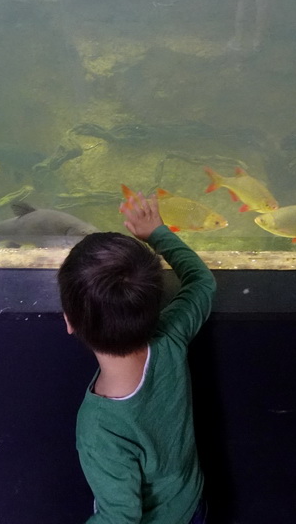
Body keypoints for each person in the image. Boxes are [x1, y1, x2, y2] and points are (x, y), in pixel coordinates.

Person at [57, 189, 217, 524]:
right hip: (192, 503)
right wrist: (158, 234)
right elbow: (202, 282)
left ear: (69, 321)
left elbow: (121, 517)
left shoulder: (99, 426)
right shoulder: (171, 338)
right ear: (159, 301)